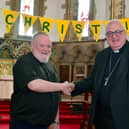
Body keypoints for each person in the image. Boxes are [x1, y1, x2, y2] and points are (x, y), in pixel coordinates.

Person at [70, 20, 129, 129]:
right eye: (109, 33)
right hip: (101, 117)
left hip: (123, 118)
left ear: (124, 33)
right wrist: (74, 86)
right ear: (106, 37)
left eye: (117, 32)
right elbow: (92, 81)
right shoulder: (102, 55)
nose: (114, 36)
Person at [9, 32, 72, 129]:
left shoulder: (51, 65)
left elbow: (56, 95)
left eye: (49, 46)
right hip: (25, 124)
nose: (46, 49)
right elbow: (34, 85)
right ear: (32, 46)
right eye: (42, 45)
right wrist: (62, 86)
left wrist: (56, 121)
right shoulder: (24, 62)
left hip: (47, 124)